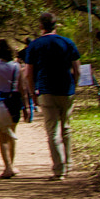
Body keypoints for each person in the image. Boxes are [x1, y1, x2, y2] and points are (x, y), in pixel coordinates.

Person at [21, 12, 83, 179]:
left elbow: (28, 73)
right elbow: (77, 69)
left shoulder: (35, 45)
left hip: (46, 90)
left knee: (52, 131)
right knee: (66, 128)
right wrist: (74, 85)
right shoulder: (67, 43)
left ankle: (59, 169)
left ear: (41, 26)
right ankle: (68, 164)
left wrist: (33, 93)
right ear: (56, 25)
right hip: (66, 89)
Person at [0, 38, 26, 179]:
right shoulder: (16, 66)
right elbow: (21, 87)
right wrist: (25, 106)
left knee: (1, 136)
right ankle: (12, 165)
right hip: (13, 100)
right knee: (12, 133)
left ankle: (7, 166)